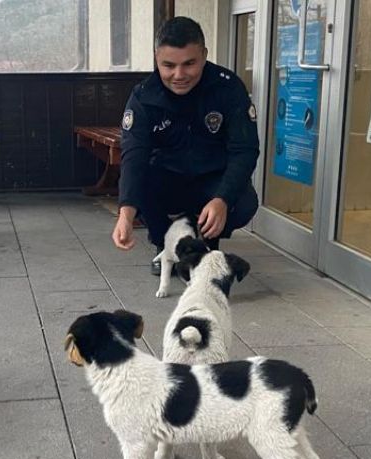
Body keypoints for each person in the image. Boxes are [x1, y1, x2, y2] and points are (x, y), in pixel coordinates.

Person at [111, 16, 260, 275]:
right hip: (168, 178)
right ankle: (164, 246)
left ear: (203, 55)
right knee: (142, 185)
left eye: (189, 63)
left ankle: (206, 242)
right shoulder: (144, 96)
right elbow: (134, 157)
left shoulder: (228, 88)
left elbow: (244, 150)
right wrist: (125, 214)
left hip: (212, 177)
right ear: (157, 57)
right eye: (168, 65)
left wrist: (222, 198)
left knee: (244, 202)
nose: (179, 75)